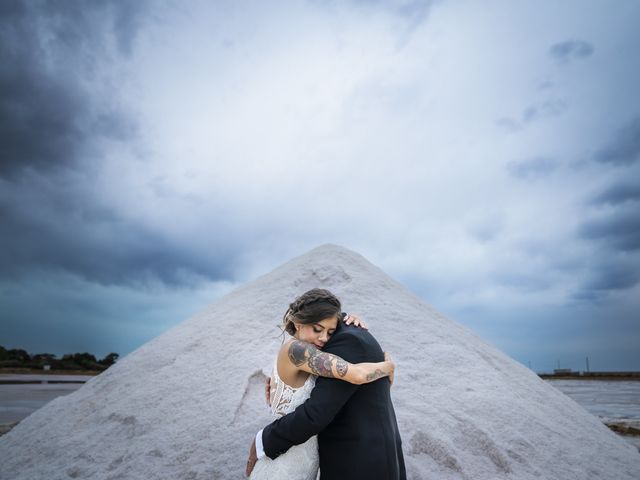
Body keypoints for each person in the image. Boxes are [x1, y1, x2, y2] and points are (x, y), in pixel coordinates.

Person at [246, 288, 405, 480]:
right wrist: (388, 366)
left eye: (330, 332)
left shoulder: (308, 354)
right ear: (298, 323)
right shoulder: (297, 350)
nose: (324, 338)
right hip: (284, 461)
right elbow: (356, 375)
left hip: (303, 459)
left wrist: (345, 317)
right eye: (317, 329)